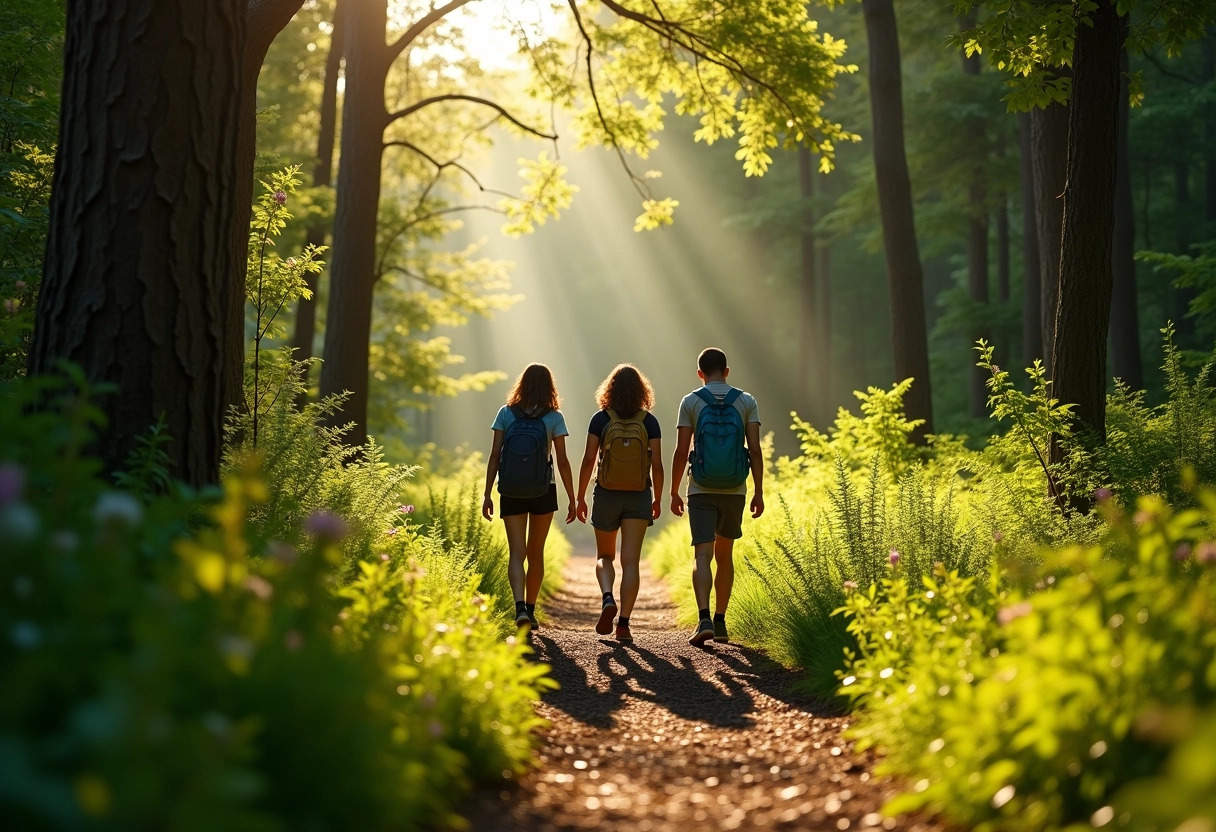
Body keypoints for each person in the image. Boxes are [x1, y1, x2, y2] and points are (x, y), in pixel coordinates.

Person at [669, 347, 764, 646]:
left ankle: (704, 618)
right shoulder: (746, 401)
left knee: (702, 555)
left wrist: (673, 491)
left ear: (700, 374)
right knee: (725, 557)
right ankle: (721, 622)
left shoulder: (691, 401)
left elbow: (682, 451)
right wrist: (759, 491)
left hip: (700, 489)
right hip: (735, 489)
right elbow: (756, 450)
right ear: (727, 371)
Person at [482, 363, 576, 631]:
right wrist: (572, 498)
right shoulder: (554, 417)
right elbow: (562, 461)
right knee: (535, 554)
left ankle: (519, 607)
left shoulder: (505, 413)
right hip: (543, 490)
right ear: (549, 387)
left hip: (510, 489)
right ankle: (531, 612)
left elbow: (495, 456)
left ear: (521, 384)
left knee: (516, 552)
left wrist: (488, 493)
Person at [575, 364, 664, 644]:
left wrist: (578, 497)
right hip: (638, 495)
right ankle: (624, 625)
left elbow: (589, 460)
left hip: (606, 494)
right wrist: (658, 498)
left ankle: (607, 598)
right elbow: (657, 465)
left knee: (605, 557)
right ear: (642, 392)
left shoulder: (600, 420)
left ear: (609, 390)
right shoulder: (649, 422)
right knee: (631, 562)